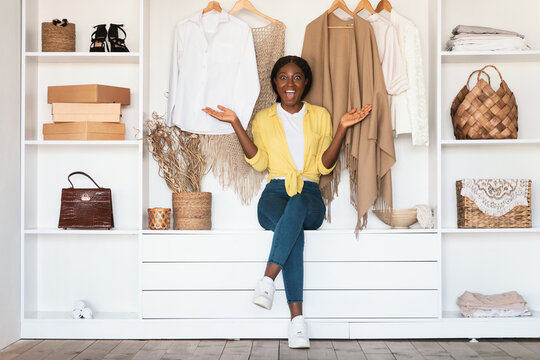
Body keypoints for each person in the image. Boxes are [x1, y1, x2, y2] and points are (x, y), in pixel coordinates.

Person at [202, 55, 372, 349]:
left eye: (297, 77)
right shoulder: (264, 119)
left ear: (306, 83)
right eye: (283, 77)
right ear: (275, 83)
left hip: (308, 194)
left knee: (297, 207)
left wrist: (343, 127)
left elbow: (324, 166)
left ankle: (268, 280)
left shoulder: (320, 116)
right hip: (274, 194)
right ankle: (298, 323)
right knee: (291, 230)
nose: (289, 83)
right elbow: (259, 163)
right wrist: (235, 124)